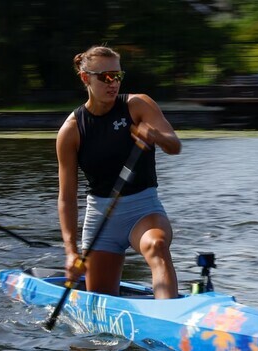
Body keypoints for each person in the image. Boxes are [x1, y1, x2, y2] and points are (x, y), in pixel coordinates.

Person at [56, 45, 182, 299]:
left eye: (117, 76)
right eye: (104, 77)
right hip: (102, 219)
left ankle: (170, 316)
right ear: (85, 78)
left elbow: (174, 145)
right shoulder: (71, 131)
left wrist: (155, 135)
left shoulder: (138, 105)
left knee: (156, 245)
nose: (112, 83)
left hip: (143, 210)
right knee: (101, 298)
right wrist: (71, 252)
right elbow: (67, 199)